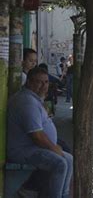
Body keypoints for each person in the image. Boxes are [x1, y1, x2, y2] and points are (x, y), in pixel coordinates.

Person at [7, 67, 73, 198]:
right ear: (30, 82)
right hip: (23, 150)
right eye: (40, 82)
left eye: (46, 82)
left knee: (69, 159)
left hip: (33, 147)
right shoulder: (27, 102)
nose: (44, 86)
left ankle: (63, 195)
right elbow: (37, 136)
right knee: (59, 163)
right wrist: (54, 148)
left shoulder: (33, 99)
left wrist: (55, 148)